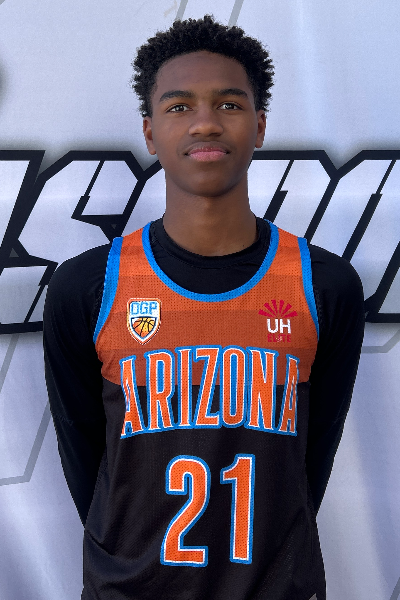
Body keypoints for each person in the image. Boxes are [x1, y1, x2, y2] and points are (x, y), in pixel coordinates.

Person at [43, 15, 364, 600]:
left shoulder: (325, 285)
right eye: (179, 106)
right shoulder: (88, 286)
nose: (206, 122)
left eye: (229, 104)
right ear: (149, 132)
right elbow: (87, 460)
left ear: (260, 125)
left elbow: (308, 465)